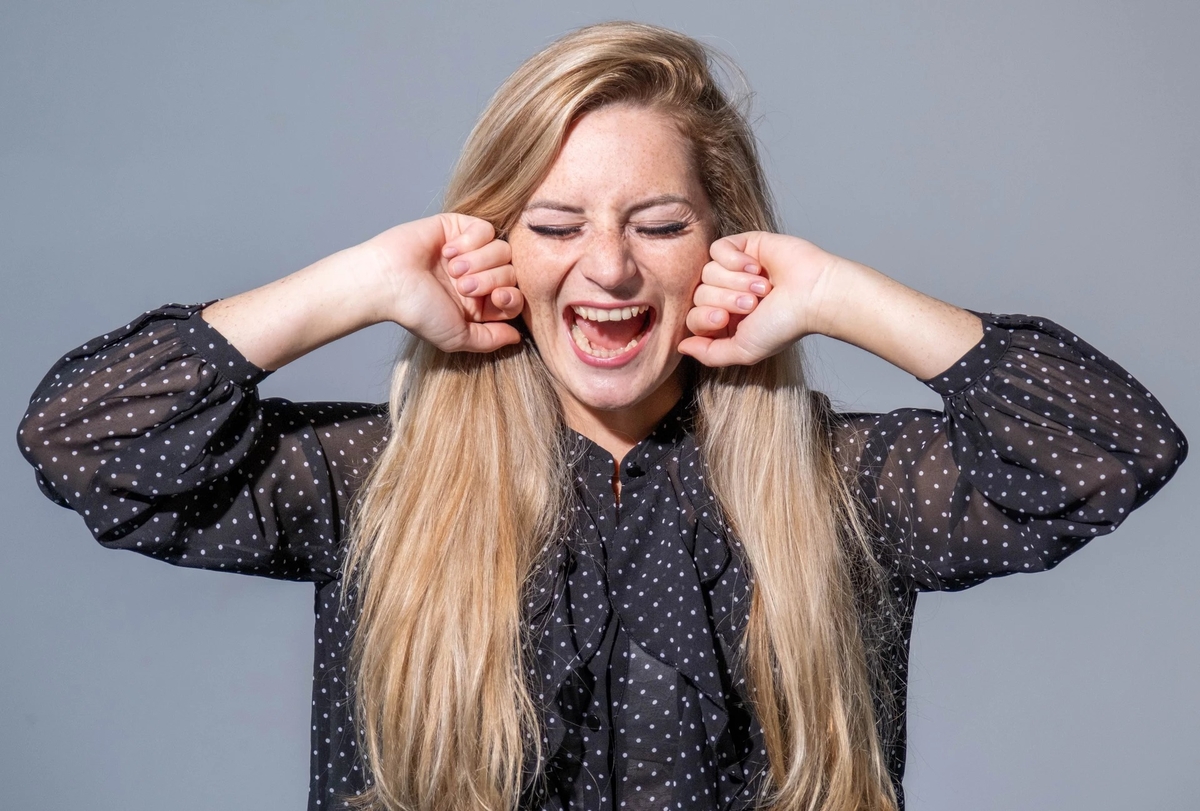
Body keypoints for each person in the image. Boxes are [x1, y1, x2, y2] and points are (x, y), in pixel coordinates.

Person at [15, 20, 1186, 811]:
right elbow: (85, 440)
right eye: (556, 225)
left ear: (725, 243)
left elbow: (1112, 449)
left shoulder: (840, 490)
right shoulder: (377, 481)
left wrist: (835, 293)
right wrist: (359, 283)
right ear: (493, 246)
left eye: (661, 225)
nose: (611, 268)